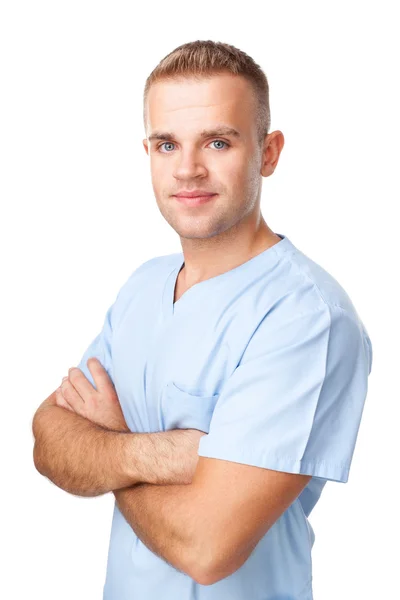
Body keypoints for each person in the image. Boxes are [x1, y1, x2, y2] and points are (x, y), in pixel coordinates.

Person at [32, 40, 373, 600]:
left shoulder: (307, 318)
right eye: (167, 144)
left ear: (268, 152)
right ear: (148, 152)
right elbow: (49, 442)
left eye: (218, 141)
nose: (188, 169)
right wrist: (169, 452)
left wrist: (108, 445)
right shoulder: (143, 287)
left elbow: (206, 550)